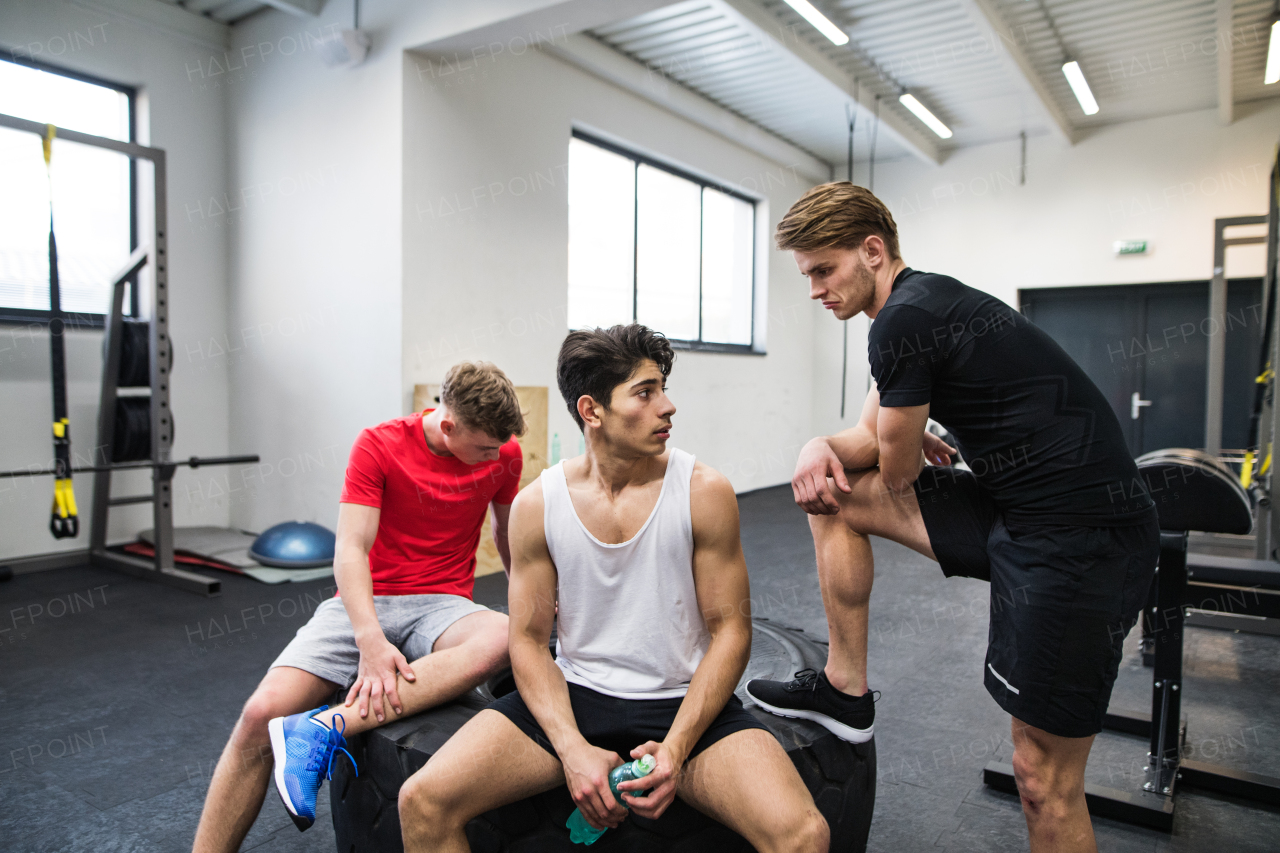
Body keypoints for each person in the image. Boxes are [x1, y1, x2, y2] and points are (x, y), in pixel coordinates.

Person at [745, 182, 1159, 853]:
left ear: (872, 251)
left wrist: (895, 438)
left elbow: (898, 468)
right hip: (1016, 510)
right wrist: (816, 446)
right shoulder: (916, 304)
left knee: (1041, 773)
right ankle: (846, 689)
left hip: (1081, 536)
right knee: (831, 491)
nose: (816, 289)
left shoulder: (903, 321)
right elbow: (866, 440)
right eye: (808, 275)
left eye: (824, 269)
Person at [396, 324, 829, 853]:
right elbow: (529, 642)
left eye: (663, 388)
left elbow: (731, 630)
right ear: (591, 410)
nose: (667, 406)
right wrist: (571, 748)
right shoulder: (538, 504)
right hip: (576, 697)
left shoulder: (703, 491)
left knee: (804, 836)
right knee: (421, 800)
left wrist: (676, 749)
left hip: (681, 701)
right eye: (645, 393)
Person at [191, 362, 526, 851]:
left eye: (500, 447)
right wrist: (369, 639)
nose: (496, 456)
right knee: (260, 714)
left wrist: (527, 598)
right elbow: (350, 548)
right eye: (484, 448)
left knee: (503, 634)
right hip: (365, 598)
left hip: (443, 603)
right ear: (448, 424)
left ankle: (323, 729)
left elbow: (505, 532)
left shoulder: (505, 454)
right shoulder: (380, 444)